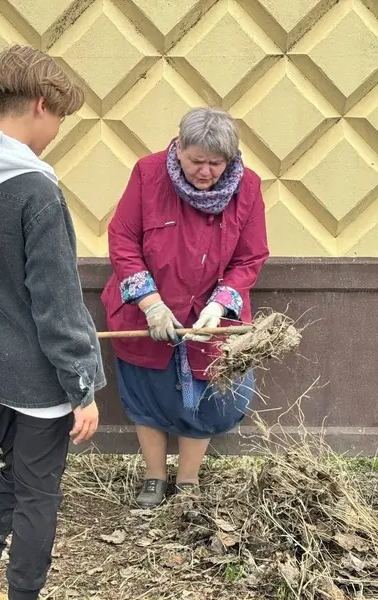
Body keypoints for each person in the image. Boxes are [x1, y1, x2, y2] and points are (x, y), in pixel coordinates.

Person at [0, 45, 105, 600]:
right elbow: (57, 305)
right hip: (36, 379)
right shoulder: (37, 193)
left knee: (18, 472)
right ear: (39, 104)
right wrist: (82, 386)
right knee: (38, 494)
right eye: (59, 116)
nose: (57, 129)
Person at [101, 107, 269, 509]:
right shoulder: (148, 173)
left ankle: (189, 481)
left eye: (216, 163)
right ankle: (154, 477)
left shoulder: (248, 187)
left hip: (212, 315)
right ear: (178, 147)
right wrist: (150, 302)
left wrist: (221, 304)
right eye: (197, 161)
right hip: (146, 311)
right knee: (146, 392)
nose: (205, 172)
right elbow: (122, 239)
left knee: (209, 392)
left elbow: (251, 256)